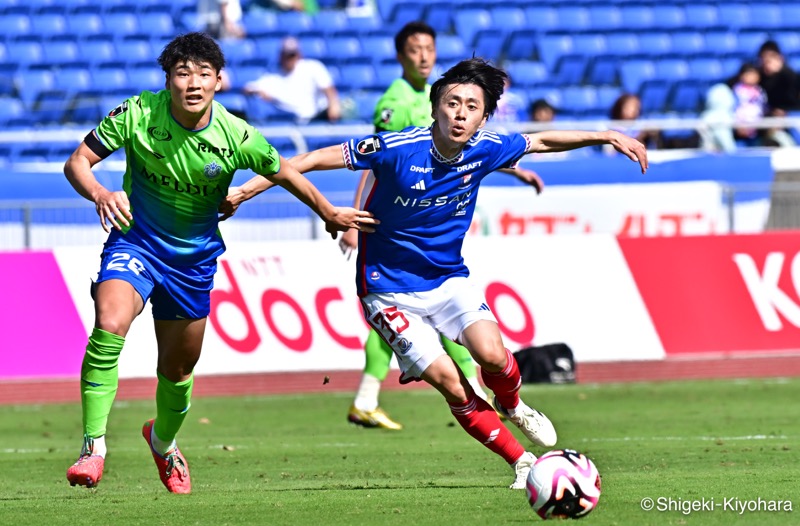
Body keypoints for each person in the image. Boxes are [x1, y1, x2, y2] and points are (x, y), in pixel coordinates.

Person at [223, 58, 648, 488]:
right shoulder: (396, 148)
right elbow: (311, 159)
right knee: (451, 382)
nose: (460, 113)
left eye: (471, 106)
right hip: (387, 290)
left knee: (494, 355)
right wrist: (243, 190)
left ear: (484, 117)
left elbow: (543, 142)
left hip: (447, 279)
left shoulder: (486, 148)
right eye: (452, 103)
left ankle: (515, 406)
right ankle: (521, 462)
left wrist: (607, 134)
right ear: (435, 109)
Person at [62, 32, 375, 493]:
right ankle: (93, 448)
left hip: (192, 262)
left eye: (203, 74)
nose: (193, 83)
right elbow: (77, 163)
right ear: (167, 80)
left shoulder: (235, 134)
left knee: (178, 370)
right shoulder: (136, 114)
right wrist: (102, 192)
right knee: (109, 324)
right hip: (135, 245)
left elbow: (283, 170)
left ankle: (163, 443)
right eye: (182, 73)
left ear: (219, 81)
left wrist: (328, 212)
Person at [340, 21, 543, 430]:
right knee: (398, 317)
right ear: (401, 55)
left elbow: (463, 153)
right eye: (414, 49)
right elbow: (377, 163)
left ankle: (474, 395)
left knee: (461, 329)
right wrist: (354, 216)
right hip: (394, 233)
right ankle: (384, 395)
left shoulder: (451, 97)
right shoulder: (396, 102)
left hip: (433, 245)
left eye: (429, 48)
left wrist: (512, 169)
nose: (424, 56)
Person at [243, 37, 341, 124]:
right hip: (297, 121)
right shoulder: (273, 77)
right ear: (281, 56)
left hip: (319, 115)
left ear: (299, 54)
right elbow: (249, 88)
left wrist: (333, 105)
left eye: (292, 55)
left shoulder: (312, 67)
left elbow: (328, 88)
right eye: (286, 55)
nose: (289, 59)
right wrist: (260, 93)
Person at [757, 40, 798, 147]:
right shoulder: (759, 77)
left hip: (790, 118)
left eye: (771, 57)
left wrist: (783, 112)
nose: (767, 62)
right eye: (764, 59)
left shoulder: (790, 76)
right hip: (770, 121)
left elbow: (792, 100)